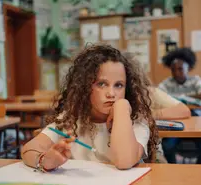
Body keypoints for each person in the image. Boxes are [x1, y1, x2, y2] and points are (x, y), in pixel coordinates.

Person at [21, 45, 159, 171]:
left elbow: (124, 161)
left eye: (119, 85)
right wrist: (44, 160)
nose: (111, 93)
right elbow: (29, 149)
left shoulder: (136, 122)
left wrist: (122, 107)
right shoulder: (69, 120)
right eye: (102, 84)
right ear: (84, 87)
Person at [158, 47, 201, 164]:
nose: (177, 73)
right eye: (173, 70)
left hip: (197, 122)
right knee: (167, 145)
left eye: (180, 69)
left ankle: (200, 168)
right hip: (176, 122)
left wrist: (180, 98)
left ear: (188, 68)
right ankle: (173, 169)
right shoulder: (166, 83)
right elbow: (158, 97)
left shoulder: (195, 80)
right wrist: (191, 98)